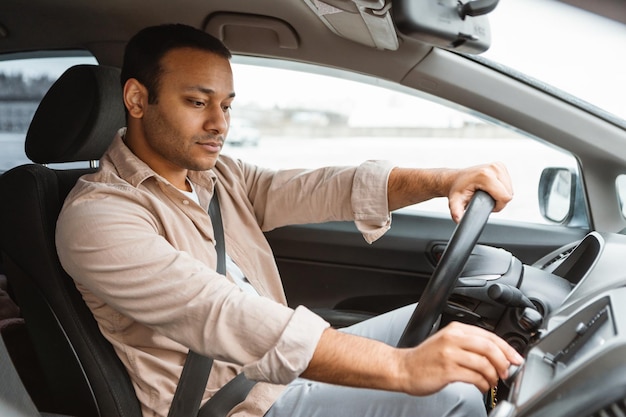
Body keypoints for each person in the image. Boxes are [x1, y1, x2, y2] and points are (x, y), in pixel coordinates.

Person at [56, 23, 521, 417]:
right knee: (453, 393)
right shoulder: (98, 218)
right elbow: (225, 314)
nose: (221, 123)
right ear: (137, 100)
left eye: (227, 104)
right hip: (240, 407)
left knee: (463, 329)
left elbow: (324, 187)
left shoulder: (218, 177)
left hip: (277, 375)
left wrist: (445, 180)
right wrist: (403, 369)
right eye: (199, 102)